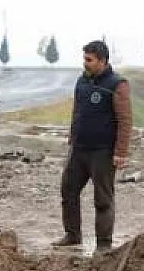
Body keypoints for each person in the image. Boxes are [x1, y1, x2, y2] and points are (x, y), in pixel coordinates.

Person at [52, 40, 133, 254]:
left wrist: (121, 153)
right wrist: (72, 138)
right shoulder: (82, 81)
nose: (85, 64)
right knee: (68, 190)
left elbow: (125, 120)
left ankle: (104, 245)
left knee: (103, 198)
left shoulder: (117, 84)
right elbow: (77, 111)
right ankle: (72, 235)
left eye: (89, 60)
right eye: (84, 59)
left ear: (102, 61)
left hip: (103, 152)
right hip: (79, 149)